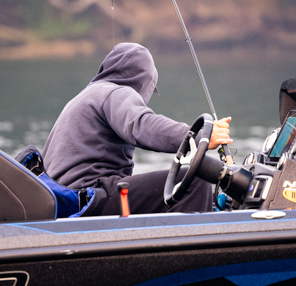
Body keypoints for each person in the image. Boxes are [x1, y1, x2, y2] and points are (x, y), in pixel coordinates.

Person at [42, 42, 232, 215]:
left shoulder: (81, 98)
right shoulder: (116, 92)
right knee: (194, 183)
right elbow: (143, 125)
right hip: (90, 199)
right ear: (144, 81)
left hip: (63, 203)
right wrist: (200, 136)